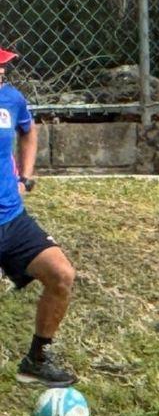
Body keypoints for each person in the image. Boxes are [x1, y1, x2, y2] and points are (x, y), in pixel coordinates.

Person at [0, 47, 78, 387]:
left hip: (12, 219)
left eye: (3, 66)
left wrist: (26, 176)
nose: (2, 71)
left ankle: (37, 359)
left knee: (61, 274)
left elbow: (28, 132)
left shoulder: (11, 100)